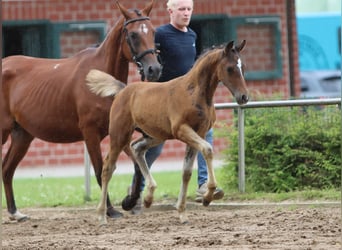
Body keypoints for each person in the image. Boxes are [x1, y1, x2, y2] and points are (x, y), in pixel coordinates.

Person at [128, 0, 224, 214]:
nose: (186, 13)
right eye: (181, 9)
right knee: (153, 147)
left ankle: (202, 184)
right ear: (170, 11)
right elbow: (148, 58)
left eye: (189, 9)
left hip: (188, 98)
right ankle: (136, 189)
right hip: (164, 98)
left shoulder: (192, 35)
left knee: (205, 133)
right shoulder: (160, 34)